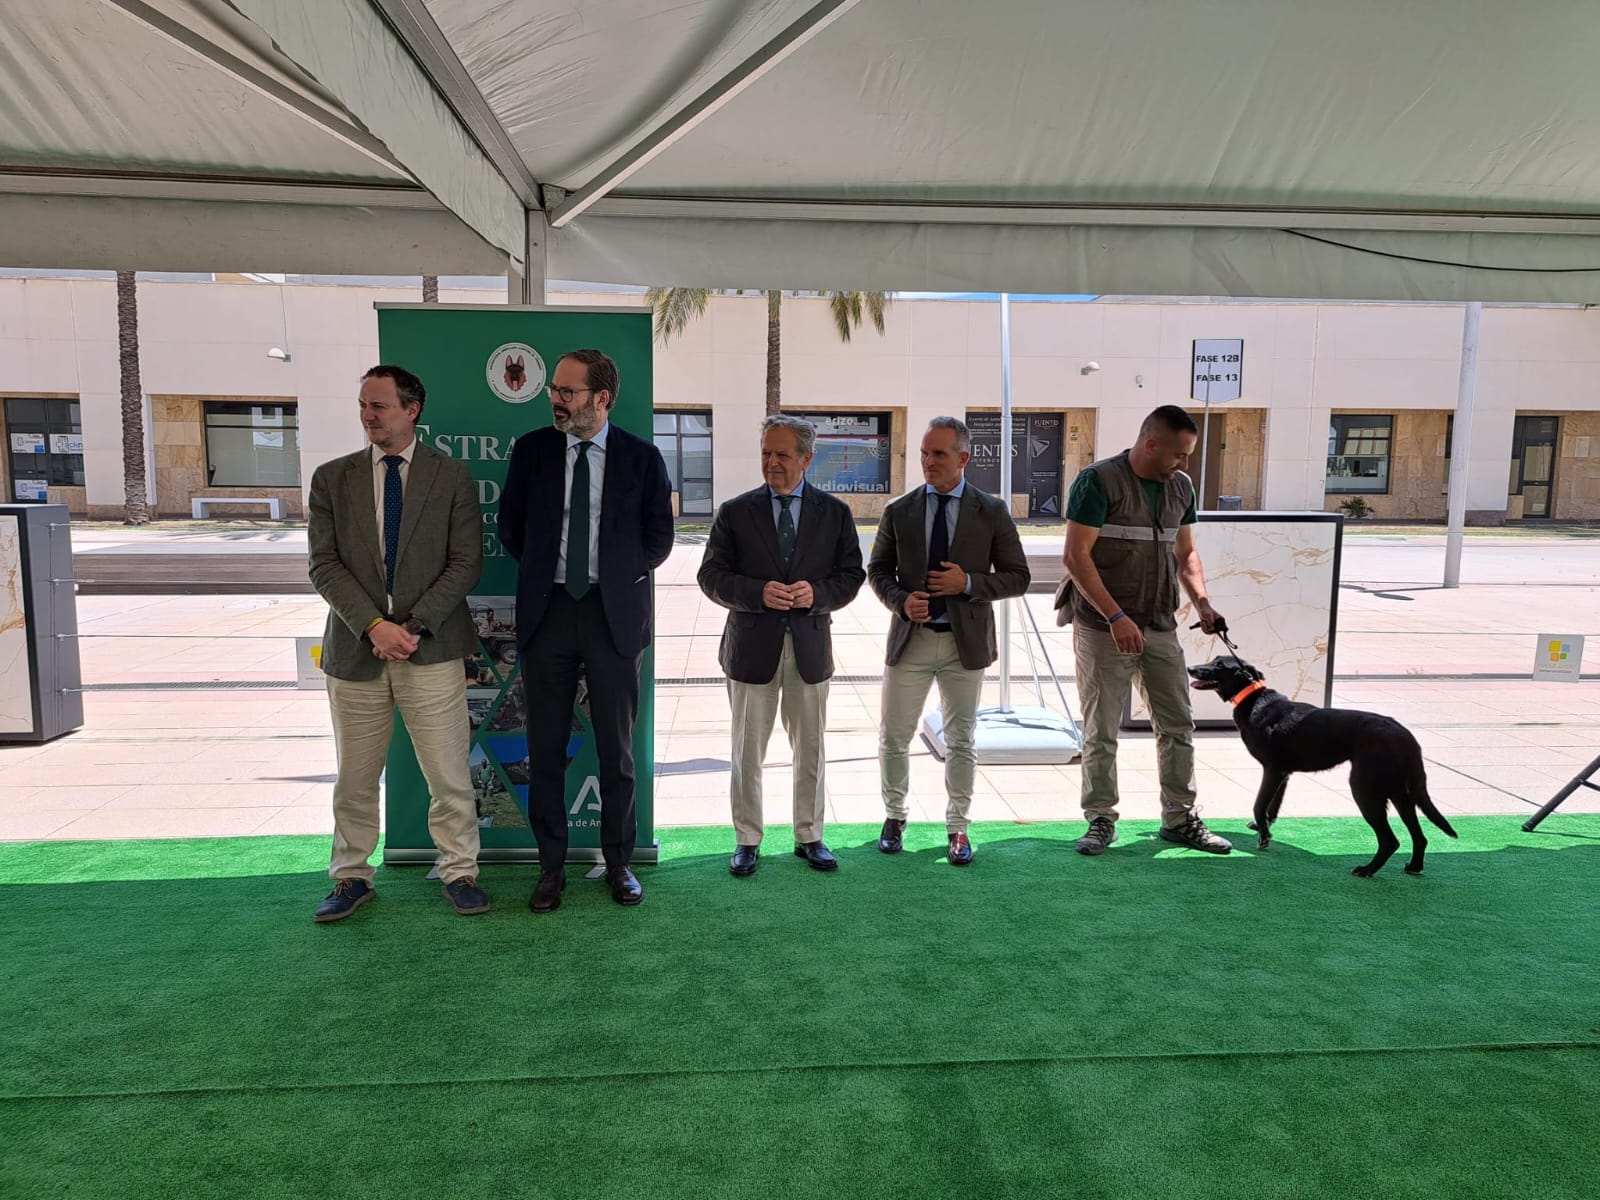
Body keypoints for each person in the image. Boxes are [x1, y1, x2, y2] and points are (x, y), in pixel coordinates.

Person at [307, 365, 488, 921]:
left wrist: (411, 627)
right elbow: (323, 565)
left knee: (448, 774)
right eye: (364, 404)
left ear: (412, 410)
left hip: (429, 648)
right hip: (356, 651)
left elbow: (465, 564)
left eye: (380, 406)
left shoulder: (450, 476)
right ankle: (351, 876)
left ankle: (460, 871)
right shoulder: (331, 478)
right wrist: (373, 626)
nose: (368, 415)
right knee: (355, 779)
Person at [498, 348, 674, 911]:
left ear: (601, 399)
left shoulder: (642, 459)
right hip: (548, 614)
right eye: (554, 388)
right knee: (543, 749)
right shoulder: (532, 452)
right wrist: (549, 572)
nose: (556, 398)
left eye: (568, 391)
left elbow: (659, 538)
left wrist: (615, 576)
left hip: (612, 616)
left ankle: (618, 864)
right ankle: (550, 868)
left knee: (617, 751)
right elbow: (512, 528)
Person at [1059, 404, 1231, 856]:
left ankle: (1179, 818)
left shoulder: (1181, 487)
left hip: (1158, 626)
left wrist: (1204, 603)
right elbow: (1076, 556)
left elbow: (1186, 553)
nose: (1185, 464)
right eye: (1179, 454)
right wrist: (1116, 617)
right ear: (1151, 444)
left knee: (1178, 724)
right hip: (1102, 627)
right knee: (1101, 729)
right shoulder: (1098, 482)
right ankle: (1100, 819)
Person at [697, 415, 866, 877]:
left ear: (807, 459)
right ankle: (747, 839)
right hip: (751, 650)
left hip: (810, 649)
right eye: (766, 453)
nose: (771, 463)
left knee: (809, 748)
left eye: (782, 454)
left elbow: (852, 575)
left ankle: (809, 836)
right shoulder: (736, 511)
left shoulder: (834, 514)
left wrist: (818, 595)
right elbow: (710, 576)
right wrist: (755, 593)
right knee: (747, 750)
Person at [867, 416, 1030, 866]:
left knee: (962, 740)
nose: (928, 462)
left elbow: (1019, 576)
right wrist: (901, 602)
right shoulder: (899, 510)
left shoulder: (991, 510)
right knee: (894, 736)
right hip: (912, 642)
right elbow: (877, 572)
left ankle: (958, 828)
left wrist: (970, 583)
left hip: (965, 647)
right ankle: (894, 816)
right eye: (923, 452)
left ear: (963, 458)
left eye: (938, 454)